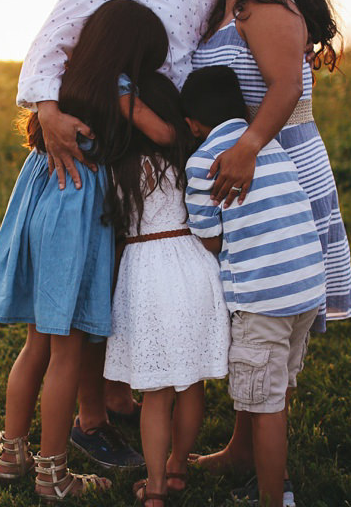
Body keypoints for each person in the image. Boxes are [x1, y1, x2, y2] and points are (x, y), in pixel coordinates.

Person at [17, 0, 245, 468]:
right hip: (113, 143)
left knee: (133, 281)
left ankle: (124, 397)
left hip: (172, 143)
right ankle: (91, 418)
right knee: (102, 276)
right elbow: (53, 42)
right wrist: (48, 109)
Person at [0, 0, 178, 501]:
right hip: (74, 211)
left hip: (39, 202)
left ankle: (12, 454)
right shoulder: (118, 89)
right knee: (66, 349)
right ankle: (53, 475)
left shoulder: (61, 85)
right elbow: (164, 133)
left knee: (36, 344)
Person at [190, 0, 351, 504]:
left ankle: (263, 468)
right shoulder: (233, 4)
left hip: (277, 161)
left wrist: (247, 148)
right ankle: (245, 446)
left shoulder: (267, 5)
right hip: (259, 164)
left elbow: (287, 84)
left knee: (271, 305)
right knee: (257, 312)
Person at [181, 64, 327, 507]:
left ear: (191, 123)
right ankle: (263, 473)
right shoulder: (271, 147)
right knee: (276, 390)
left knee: (265, 406)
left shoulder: (203, 161)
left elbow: (207, 238)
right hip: (305, 290)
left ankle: (272, 498)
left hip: (262, 298)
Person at [102, 70, 230, 506]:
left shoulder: (116, 163)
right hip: (193, 263)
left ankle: (155, 489)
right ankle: (178, 468)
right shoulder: (188, 155)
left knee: (155, 392)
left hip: (146, 269)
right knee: (192, 382)